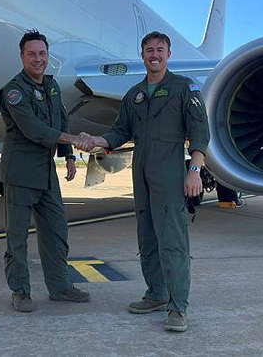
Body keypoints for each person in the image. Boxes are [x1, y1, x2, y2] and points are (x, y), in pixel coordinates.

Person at [83, 31, 209, 332]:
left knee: (173, 242)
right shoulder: (134, 95)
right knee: (148, 238)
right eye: (149, 49)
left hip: (169, 173)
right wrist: (94, 140)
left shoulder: (184, 88)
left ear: (168, 54)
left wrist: (194, 170)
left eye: (160, 50)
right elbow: (119, 132)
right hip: (140, 174)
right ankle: (155, 293)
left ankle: (178, 308)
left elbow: (200, 132)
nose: (154, 54)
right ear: (142, 55)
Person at [0, 29, 93, 312]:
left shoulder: (51, 87)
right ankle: (21, 291)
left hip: (46, 172)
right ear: (22, 56)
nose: (38, 59)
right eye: (31, 54)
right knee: (17, 237)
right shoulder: (14, 91)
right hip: (20, 172)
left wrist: (69, 156)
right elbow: (34, 129)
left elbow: (61, 119)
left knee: (57, 231)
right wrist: (73, 140)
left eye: (42, 54)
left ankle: (60, 287)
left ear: (47, 56)